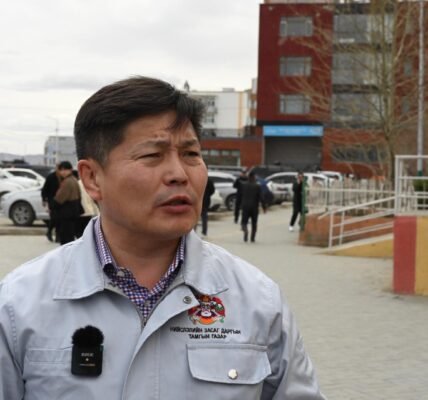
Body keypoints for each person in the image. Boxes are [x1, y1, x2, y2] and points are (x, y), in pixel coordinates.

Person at [0, 77, 325, 399]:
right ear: (93, 177)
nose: (179, 174)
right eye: (152, 156)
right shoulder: (19, 305)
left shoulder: (257, 301)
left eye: (191, 153)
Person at [53, 161, 82, 244]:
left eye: (65, 170)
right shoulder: (74, 179)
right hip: (73, 211)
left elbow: (59, 198)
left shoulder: (67, 182)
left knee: (65, 238)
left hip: (66, 212)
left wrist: (53, 205)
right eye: (61, 170)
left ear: (70, 170)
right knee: (70, 237)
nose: (63, 172)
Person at [240, 171, 267, 242]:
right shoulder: (257, 186)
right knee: (254, 223)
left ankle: (245, 230)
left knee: (244, 222)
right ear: (253, 177)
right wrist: (264, 207)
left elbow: (240, 195)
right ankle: (252, 238)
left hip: (245, 206)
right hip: (254, 207)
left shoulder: (244, 185)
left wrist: (240, 205)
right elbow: (261, 198)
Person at [41, 164, 61, 242]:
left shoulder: (64, 177)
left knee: (59, 219)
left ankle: (57, 236)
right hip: (52, 200)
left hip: (61, 201)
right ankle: (49, 232)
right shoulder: (51, 177)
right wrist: (44, 200)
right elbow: (45, 189)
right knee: (54, 218)